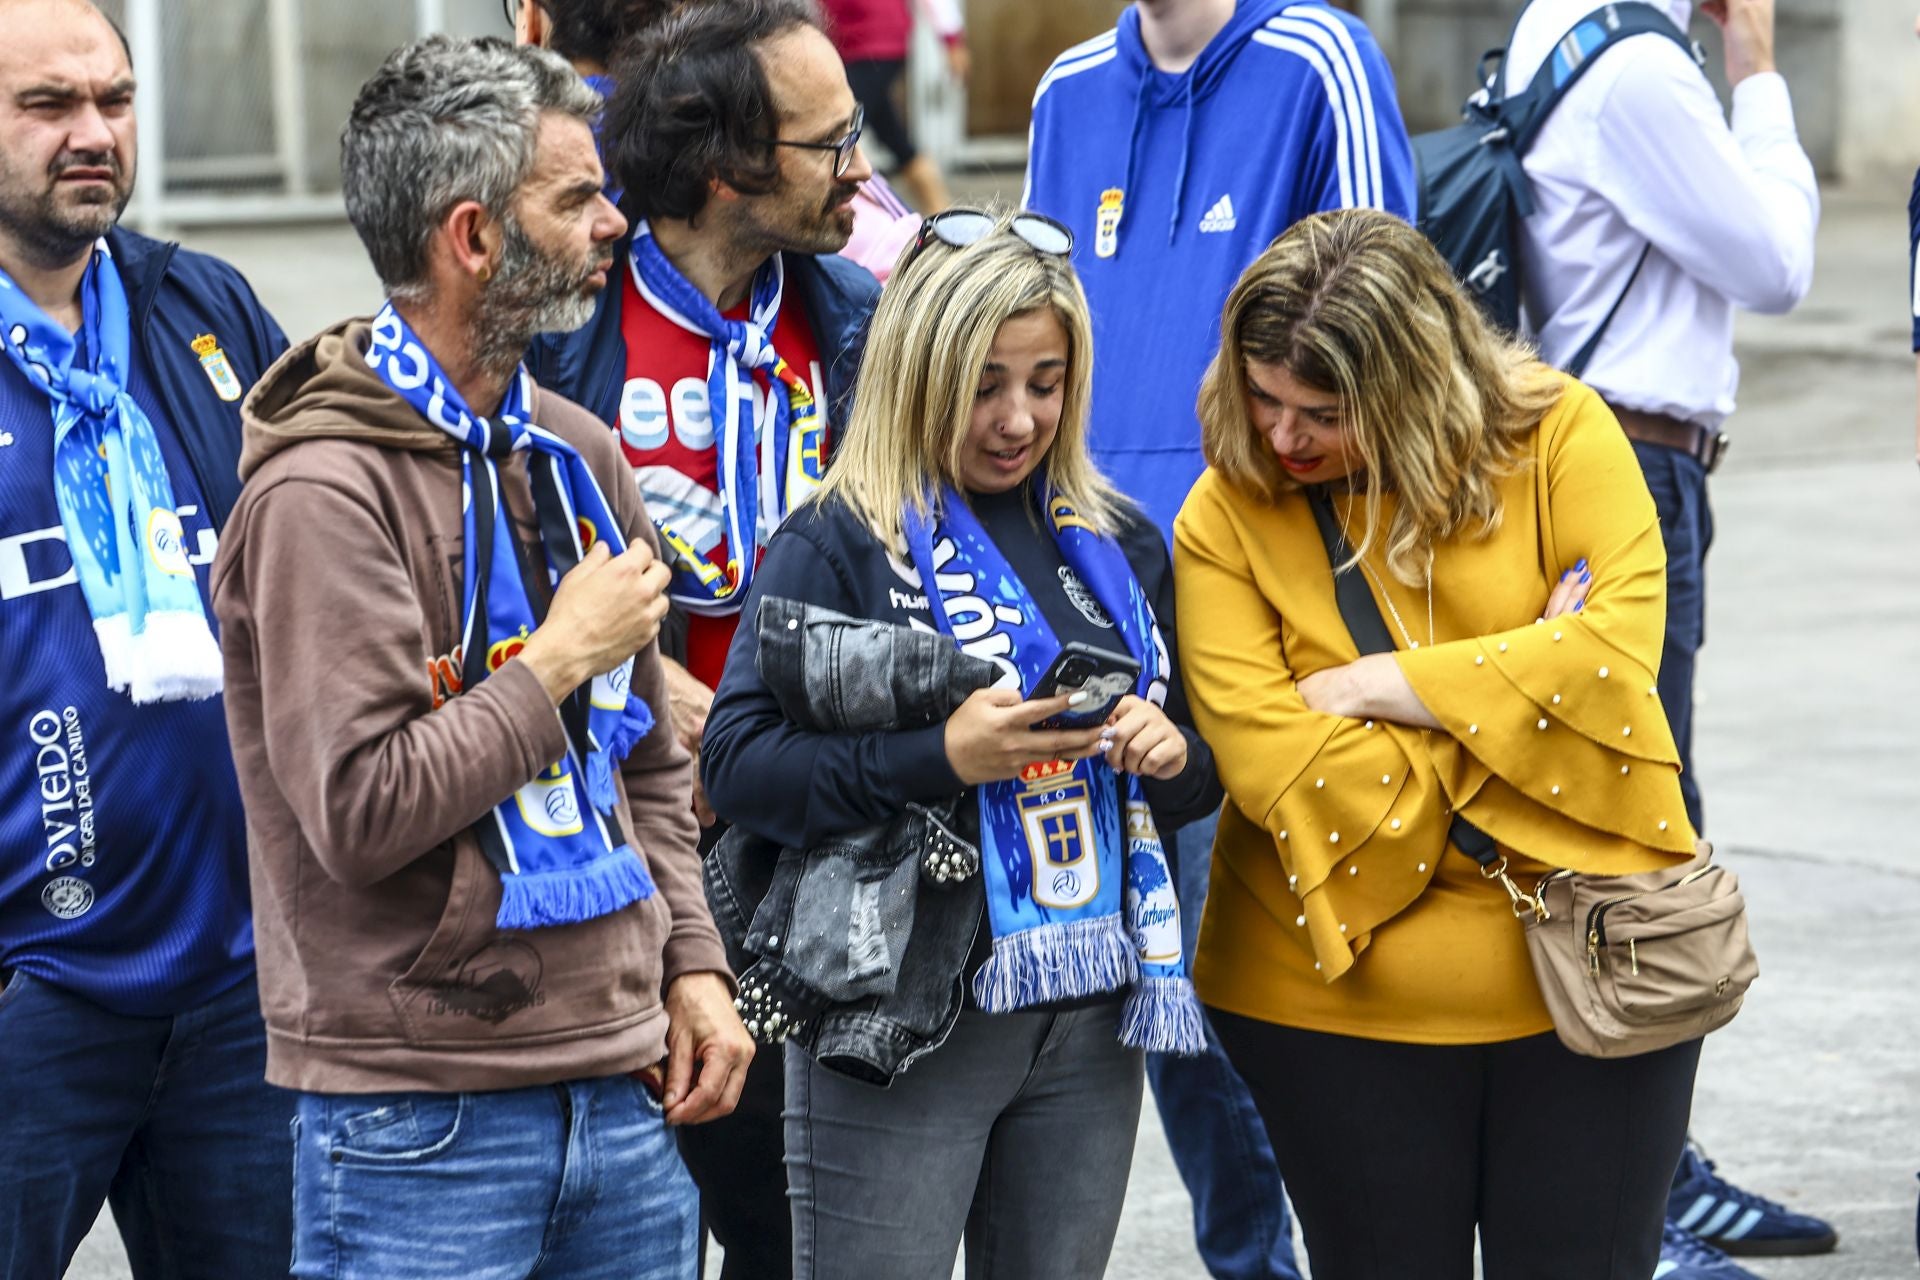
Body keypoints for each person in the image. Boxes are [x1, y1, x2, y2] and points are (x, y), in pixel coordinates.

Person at [211, 35, 750, 1277]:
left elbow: (651, 763)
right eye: (576, 198)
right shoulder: (319, 494)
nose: (616, 222)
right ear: (472, 237)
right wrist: (554, 661)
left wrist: (692, 963)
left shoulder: (575, 455)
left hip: (622, 1089)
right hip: (419, 1118)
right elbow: (361, 809)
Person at [1176, 206, 1705, 1279]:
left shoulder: (1561, 434)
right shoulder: (1224, 515)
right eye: (1263, 397)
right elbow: (1288, 775)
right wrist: (1533, 691)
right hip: (1330, 1008)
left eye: (1320, 410)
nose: (1281, 438)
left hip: (1601, 978)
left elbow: (1621, 664)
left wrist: (1381, 686)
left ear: (1414, 386)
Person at [702, 209, 1222, 1279]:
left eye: (1046, 380)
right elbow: (737, 766)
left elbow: (1201, 774)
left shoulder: (1116, 541)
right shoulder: (837, 537)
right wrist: (940, 754)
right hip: (894, 1020)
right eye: (984, 382)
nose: (1017, 417)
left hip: (1085, 1011)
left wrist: (1164, 751)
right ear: (918, 370)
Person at [1023, 3, 1413, 1275]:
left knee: (1267, 987)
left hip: (1254, 605)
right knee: (1165, 996)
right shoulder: (1067, 90)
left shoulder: (1319, 60)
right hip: (1085, 602)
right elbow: (1025, 338)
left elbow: (1385, 336)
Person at [523, 4, 881, 1273]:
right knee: (640, 1218)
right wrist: (635, 667)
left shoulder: (860, 318)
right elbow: (473, 558)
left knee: (795, 1228)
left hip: (823, 835)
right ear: (728, 167)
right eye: (831, 142)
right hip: (638, 848)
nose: (865, 168)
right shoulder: (563, 321)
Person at [1505, 0, 1832, 1270]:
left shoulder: (1558, 27)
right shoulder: (1642, 66)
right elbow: (1779, 264)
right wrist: (1753, 66)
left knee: (1624, 825)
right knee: (1633, 848)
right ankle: (1631, 1208)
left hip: (1612, 464)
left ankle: (1653, 1174)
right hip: (1632, 470)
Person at [0, 2, 293, 1275]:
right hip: (32, 993)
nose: (92, 135)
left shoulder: (199, 307)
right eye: (47, 107)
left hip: (236, 989)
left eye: (114, 102)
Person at [818, 0, 967, 212]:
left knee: (834, 138)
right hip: (849, 45)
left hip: (876, 42)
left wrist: (952, 40)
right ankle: (945, 216)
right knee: (895, 140)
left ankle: (824, 221)